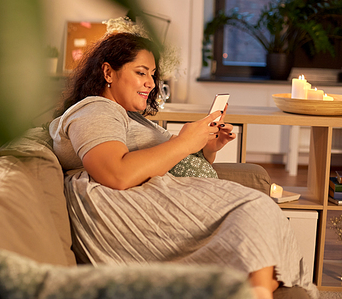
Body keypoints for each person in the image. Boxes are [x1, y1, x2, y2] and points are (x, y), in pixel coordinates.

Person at [49, 32, 318, 299]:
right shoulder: (95, 110)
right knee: (256, 209)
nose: (151, 84)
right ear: (108, 72)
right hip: (123, 206)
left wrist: (207, 149)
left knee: (260, 221)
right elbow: (115, 173)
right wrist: (186, 142)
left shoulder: (129, 117)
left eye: (152, 75)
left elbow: (169, 160)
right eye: (141, 73)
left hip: (153, 194)